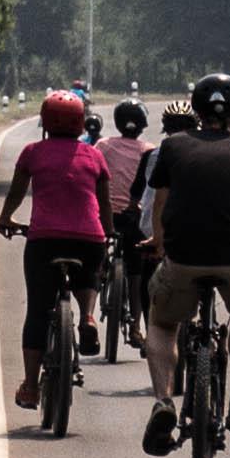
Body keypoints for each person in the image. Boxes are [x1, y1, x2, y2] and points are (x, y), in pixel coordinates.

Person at [140, 71, 230, 454]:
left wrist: (158, 243)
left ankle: (163, 401)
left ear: (197, 111)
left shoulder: (173, 148)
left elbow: (160, 203)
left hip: (183, 257)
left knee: (162, 322)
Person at [0, 89, 112, 411]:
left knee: (37, 311)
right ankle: (88, 315)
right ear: (81, 124)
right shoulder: (95, 157)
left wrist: (6, 219)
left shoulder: (32, 153)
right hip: (89, 239)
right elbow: (103, 207)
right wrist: (110, 234)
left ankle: (31, 387)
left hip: (44, 240)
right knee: (89, 274)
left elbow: (17, 193)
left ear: (45, 121)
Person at [98, 98, 159, 308]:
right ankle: (135, 325)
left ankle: (100, 268)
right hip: (136, 217)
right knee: (137, 271)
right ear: (142, 125)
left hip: (105, 216)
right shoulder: (150, 150)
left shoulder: (103, 145)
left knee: (99, 246)